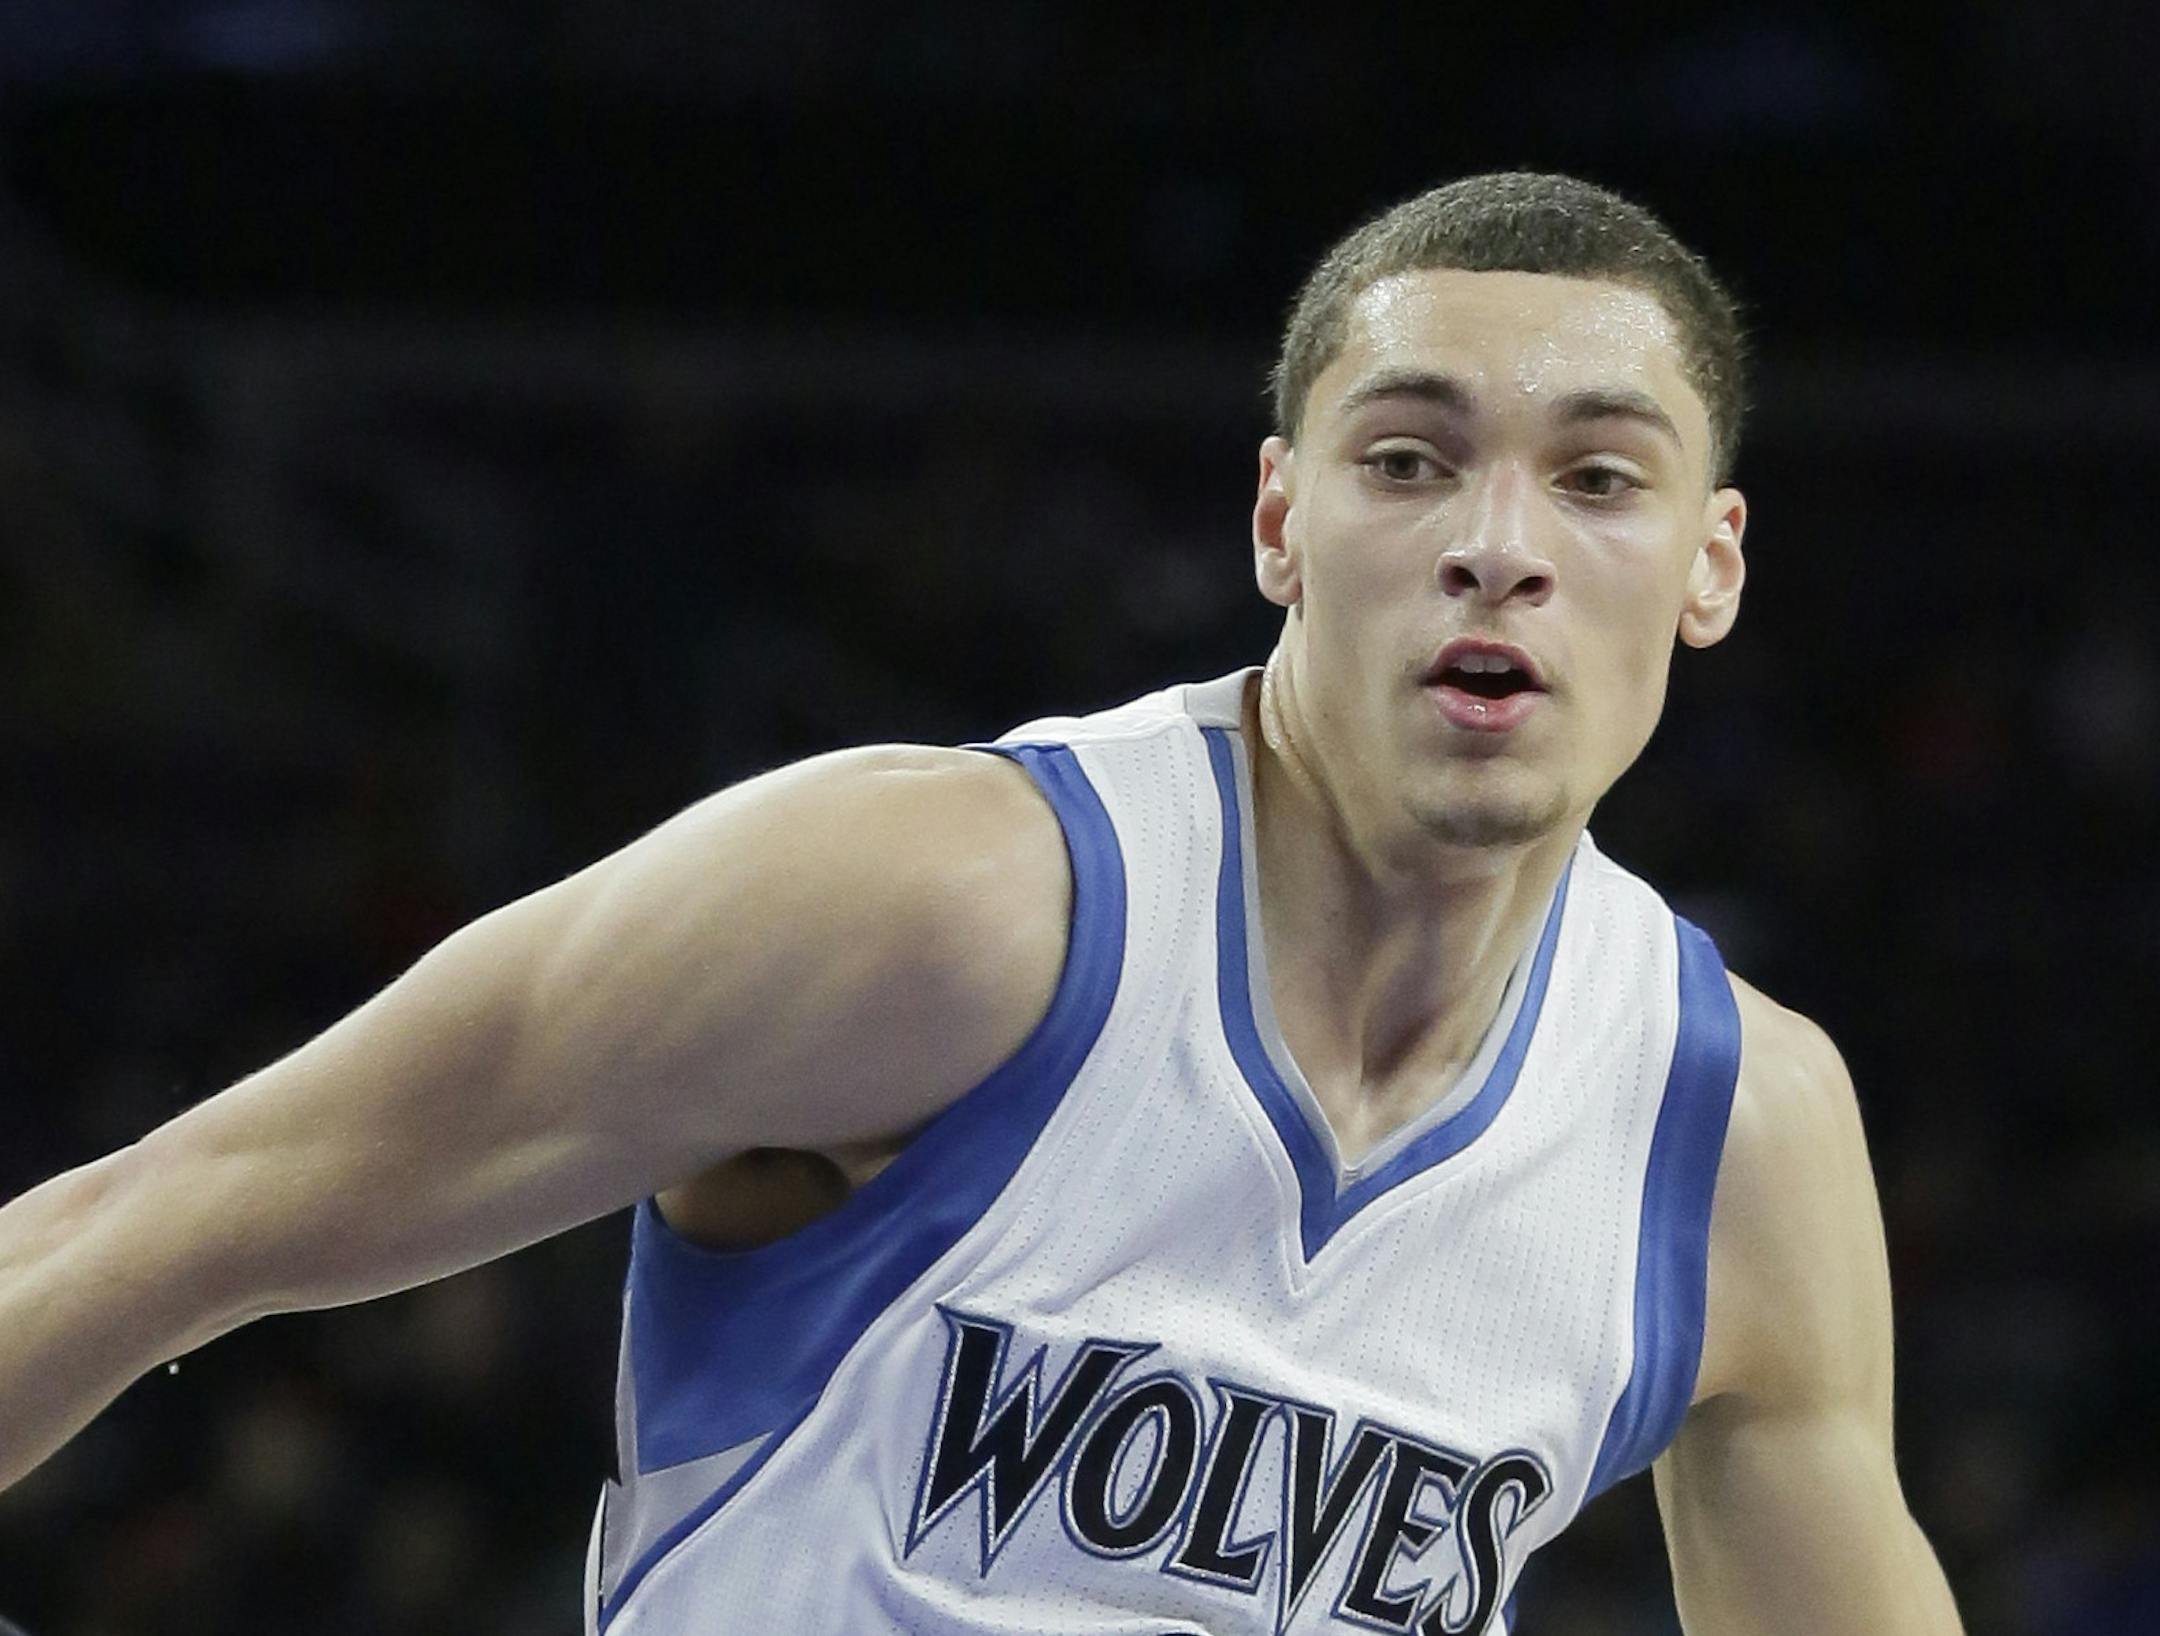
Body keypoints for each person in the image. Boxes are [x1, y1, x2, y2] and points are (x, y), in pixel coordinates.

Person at [0, 171, 1963, 1636]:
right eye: (1409, 460)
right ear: (1282, 522)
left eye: (1598, 481)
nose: (1497, 546)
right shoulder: (938, 904)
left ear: (1711, 565)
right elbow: (144, 1225)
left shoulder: (1735, 1130)